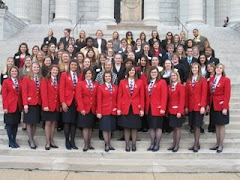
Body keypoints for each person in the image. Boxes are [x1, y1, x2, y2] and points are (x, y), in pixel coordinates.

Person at [117, 66, 144, 152]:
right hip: (125, 107)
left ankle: (134, 144)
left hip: (136, 107)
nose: (131, 72)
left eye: (133, 70)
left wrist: (142, 109)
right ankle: (127, 145)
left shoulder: (140, 82)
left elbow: (142, 96)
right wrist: (119, 108)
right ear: (127, 72)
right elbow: (119, 96)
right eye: (130, 70)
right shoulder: (122, 82)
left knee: (134, 127)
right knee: (126, 127)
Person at [208, 63, 231, 153]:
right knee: (216, 125)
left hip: (221, 105)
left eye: (220, 68)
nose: (218, 69)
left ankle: (221, 144)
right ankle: (217, 143)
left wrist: (225, 107)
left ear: (223, 70)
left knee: (221, 125)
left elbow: (227, 94)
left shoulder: (226, 80)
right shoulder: (212, 79)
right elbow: (210, 93)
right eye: (217, 67)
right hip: (213, 104)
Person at [60, 60, 82, 150]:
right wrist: (63, 102)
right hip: (67, 101)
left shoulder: (80, 76)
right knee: (67, 122)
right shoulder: (64, 75)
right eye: (72, 64)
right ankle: (67, 140)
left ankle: (72, 141)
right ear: (69, 66)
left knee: (74, 122)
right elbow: (61, 89)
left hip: (76, 102)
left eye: (75, 65)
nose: (73, 66)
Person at [185, 62, 207, 152]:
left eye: (196, 68)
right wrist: (186, 106)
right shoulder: (189, 80)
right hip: (191, 106)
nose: (194, 69)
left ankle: (196, 145)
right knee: (193, 126)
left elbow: (204, 94)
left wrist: (202, 106)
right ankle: (197, 144)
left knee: (197, 126)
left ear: (199, 69)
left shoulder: (202, 79)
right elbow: (186, 95)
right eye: (193, 68)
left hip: (198, 106)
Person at [145, 66, 167, 152]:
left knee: (158, 127)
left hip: (158, 108)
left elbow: (164, 96)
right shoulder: (148, 83)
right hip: (149, 108)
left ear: (158, 73)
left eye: (155, 72)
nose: (153, 74)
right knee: (152, 127)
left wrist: (163, 108)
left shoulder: (162, 82)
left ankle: (157, 144)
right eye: (152, 72)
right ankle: (152, 144)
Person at [76, 68, 98, 151]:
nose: (88, 75)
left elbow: (96, 97)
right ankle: (85, 144)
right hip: (84, 108)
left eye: (90, 73)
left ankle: (89, 144)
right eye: (87, 73)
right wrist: (81, 108)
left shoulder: (96, 84)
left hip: (92, 108)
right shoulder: (80, 83)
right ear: (84, 75)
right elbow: (79, 97)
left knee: (90, 127)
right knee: (85, 127)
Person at [22, 62, 42, 149]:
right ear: (31, 68)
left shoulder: (41, 78)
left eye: (37, 67)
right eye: (34, 67)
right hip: (29, 103)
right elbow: (24, 92)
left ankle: (31, 139)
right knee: (29, 123)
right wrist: (25, 104)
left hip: (37, 103)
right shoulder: (26, 78)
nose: (36, 69)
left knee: (34, 122)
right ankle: (31, 140)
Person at [97, 71, 118, 152]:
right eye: (106, 76)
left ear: (111, 78)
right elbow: (99, 100)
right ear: (104, 78)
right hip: (104, 110)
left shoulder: (115, 87)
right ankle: (106, 144)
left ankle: (109, 144)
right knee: (105, 128)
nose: (108, 78)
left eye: (109, 76)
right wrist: (99, 111)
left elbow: (117, 99)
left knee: (110, 128)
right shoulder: (100, 87)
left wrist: (116, 108)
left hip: (113, 110)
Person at [2, 66, 22, 148]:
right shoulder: (6, 82)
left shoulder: (20, 81)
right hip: (9, 106)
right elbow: (4, 95)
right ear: (10, 72)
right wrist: (5, 107)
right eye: (12, 71)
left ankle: (14, 139)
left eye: (15, 71)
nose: (14, 73)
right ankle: (10, 141)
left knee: (16, 124)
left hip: (18, 106)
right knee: (10, 124)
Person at [40, 65, 60, 150]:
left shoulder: (58, 81)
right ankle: (47, 142)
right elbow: (43, 94)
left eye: (56, 70)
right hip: (48, 106)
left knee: (53, 123)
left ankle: (52, 141)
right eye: (54, 70)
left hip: (55, 106)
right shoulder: (45, 80)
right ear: (50, 71)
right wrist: (45, 105)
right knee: (48, 123)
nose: (55, 72)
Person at [167, 71, 185, 152]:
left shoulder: (181, 86)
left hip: (177, 110)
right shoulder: (169, 86)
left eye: (174, 75)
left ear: (177, 76)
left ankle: (177, 145)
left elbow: (182, 100)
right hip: (171, 110)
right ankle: (173, 144)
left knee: (177, 128)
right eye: (171, 76)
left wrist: (179, 111)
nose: (173, 77)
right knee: (173, 128)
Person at [206, 63, 216, 133]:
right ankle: (211, 126)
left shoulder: (217, 76)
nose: (209, 68)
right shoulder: (207, 77)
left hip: (215, 98)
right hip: (209, 96)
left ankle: (214, 127)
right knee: (211, 113)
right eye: (208, 67)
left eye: (211, 67)